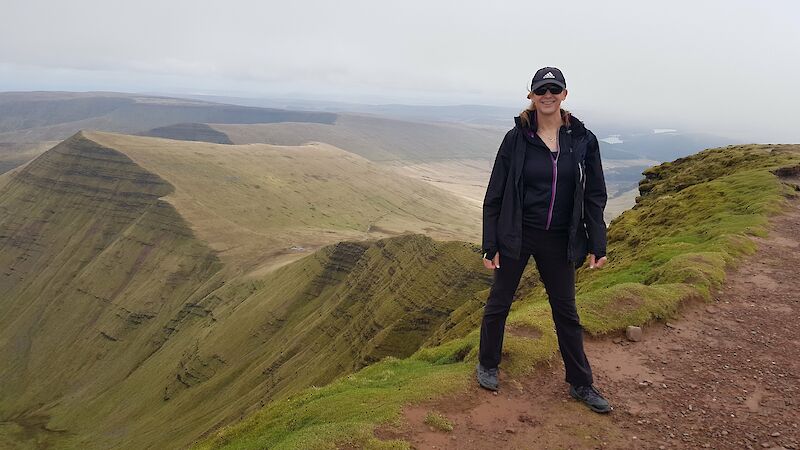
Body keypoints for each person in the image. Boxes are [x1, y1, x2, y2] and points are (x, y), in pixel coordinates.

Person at [475, 67, 612, 414]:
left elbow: (595, 194)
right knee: (499, 303)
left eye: (554, 89)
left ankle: (581, 383)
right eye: (541, 90)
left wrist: (598, 242)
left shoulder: (583, 140)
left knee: (566, 310)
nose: (547, 95)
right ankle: (488, 364)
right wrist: (490, 243)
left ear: (564, 94)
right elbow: (495, 193)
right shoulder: (517, 138)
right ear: (532, 96)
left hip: (560, 238)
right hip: (517, 233)